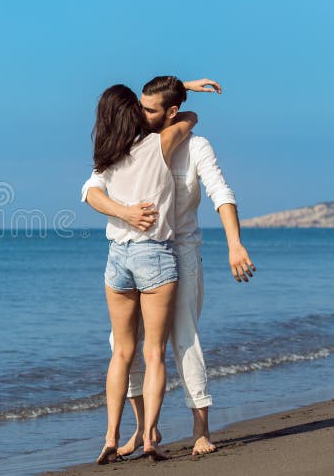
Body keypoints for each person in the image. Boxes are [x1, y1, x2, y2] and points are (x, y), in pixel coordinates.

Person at [83, 76, 256, 459]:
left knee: (183, 339)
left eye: (149, 109)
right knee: (123, 346)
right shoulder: (131, 142)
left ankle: (200, 429)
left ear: (170, 112)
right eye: (139, 106)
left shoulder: (195, 146)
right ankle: (148, 430)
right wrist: (125, 212)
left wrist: (234, 244)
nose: (140, 114)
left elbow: (221, 194)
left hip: (181, 253)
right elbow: (91, 188)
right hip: (141, 252)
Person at [89, 84, 199, 464]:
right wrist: (182, 89)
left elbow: (89, 194)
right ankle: (150, 436)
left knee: (121, 353)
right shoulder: (160, 144)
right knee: (153, 353)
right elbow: (189, 117)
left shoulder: (107, 157)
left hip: (116, 258)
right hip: (154, 255)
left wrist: (122, 212)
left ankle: (109, 438)